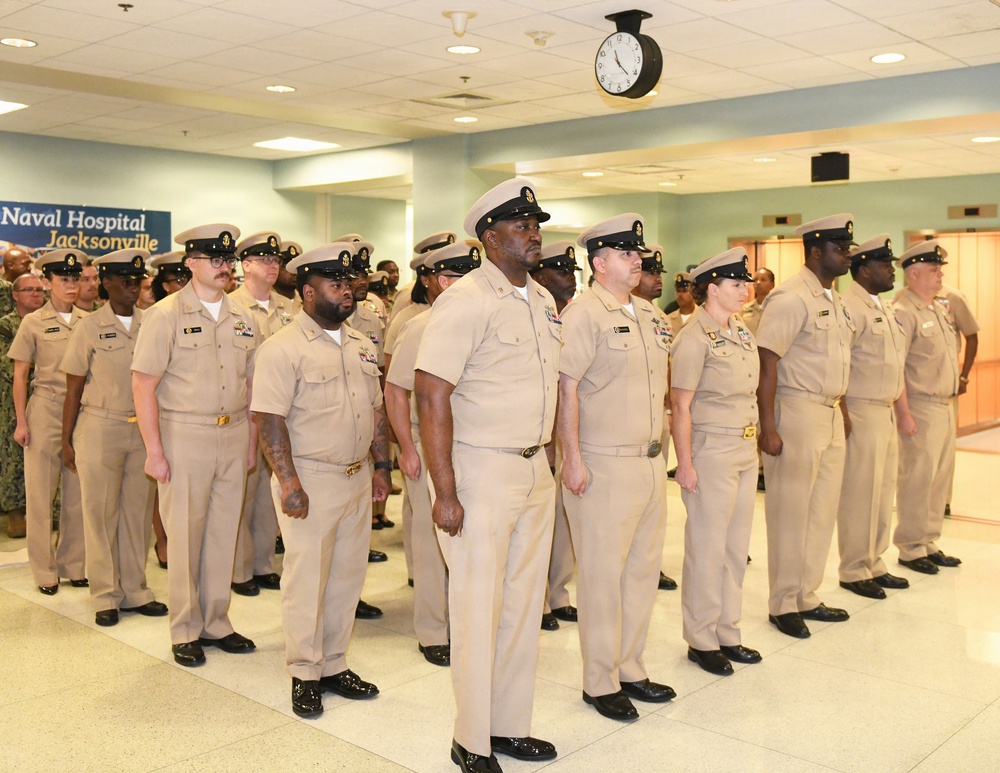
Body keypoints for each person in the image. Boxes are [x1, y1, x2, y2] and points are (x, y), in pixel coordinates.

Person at [415, 178, 559, 772]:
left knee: (523, 603)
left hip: (533, 468)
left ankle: (509, 725)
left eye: (536, 225)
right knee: (476, 605)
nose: (534, 234)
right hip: (480, 471)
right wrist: (444, 490)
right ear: (489, 236)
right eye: (522, 226)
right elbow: (430, 394)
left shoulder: (543, 300)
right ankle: (471, 739)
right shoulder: (466, 300)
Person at [252, 241, 391, 719]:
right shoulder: (282, 348)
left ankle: (334, 663)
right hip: (310, 478)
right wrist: (288, 482)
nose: (347, 291)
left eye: (350, 282)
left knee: (346, 578)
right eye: (336, 283)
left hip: (356, 477)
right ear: (309, 292)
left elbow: (375, 410)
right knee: (307, 579)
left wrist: (382, 467)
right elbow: (269, 419)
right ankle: (305, 670)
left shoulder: (359, 343)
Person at [559, 214, 674, 722]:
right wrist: (573, 460)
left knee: (641, 572)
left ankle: (631, 666)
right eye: (627, 254)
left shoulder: (651, 314)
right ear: (599, 262)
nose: (638, 260)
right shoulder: (583, 314)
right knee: (603, 579)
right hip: (603, 465)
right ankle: (599, 680)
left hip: (649, 463)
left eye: (638, 252)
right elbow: (566, 389)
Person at [132, 223, 259, 667]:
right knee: (185, 532)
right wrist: (154, 450)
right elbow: (143, 384)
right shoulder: (165, 315)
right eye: (216, 260)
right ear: (191, 263)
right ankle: (185, 626)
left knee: (224, 531)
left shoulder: (244, 318)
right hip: (184, 433)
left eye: (229, 260)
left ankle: (217, 621)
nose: (225, 268)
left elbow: (251, 385)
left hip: (234, 430)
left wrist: (251, 441)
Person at [756, 214, 855, 639]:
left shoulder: (834, 299)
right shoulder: (790, 297)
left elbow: (839, 362)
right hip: (795, 411)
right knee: (791, 513)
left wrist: (843, 410)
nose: (847, 255)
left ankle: (807, 594)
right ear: (817, 251)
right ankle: (782, 603)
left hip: (829, 413)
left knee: (821, 511)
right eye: (841, 248)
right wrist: (767, 426)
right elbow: (766, 361)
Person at [385, 241, 482, 667]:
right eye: (467, 278)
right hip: (431, 446)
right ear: (444, 282)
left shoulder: (481, 319)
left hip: (474, 447)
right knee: (430, 545)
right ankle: (432, 629)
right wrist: (407, 447)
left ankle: (463, 623)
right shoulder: (422, 326)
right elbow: (395, 389)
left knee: (469, 542)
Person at [61, 249, 166, 627]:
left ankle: (136, 589)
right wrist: (66, 439)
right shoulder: (88, 327)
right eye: (124, 281)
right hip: (99, 427)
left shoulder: (153, 322)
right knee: (99, 513)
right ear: (106, 284)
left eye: (137, 281)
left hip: (142, 429)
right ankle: (105, 593)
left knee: (137, 514)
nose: (132, 287)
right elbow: (73, 387)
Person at [671, 248, 762, 676]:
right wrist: (684, 463)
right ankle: (701, 638)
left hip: (744, 451)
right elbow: (681, 407)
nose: (745, 290)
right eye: (736, 284)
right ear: (712, 289)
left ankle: (728, 630)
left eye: (745, 283)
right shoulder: (693, 337)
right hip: (711, 452)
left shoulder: (741, 331)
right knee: (707, 549)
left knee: (734, 547)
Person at [8, 249, 88, 594]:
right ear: (47, 282)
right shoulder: (33, 322)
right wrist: (22, 422)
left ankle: (74, 564)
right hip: (45, 408)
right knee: (40, 493)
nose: (70, 286)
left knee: (76, 494)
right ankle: (43, 570)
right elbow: (20, 374)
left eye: (75, 279)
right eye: (63, 280)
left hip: (82, 413)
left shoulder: (89, 321)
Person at [836, 236, 910, 599]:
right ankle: (853, 568)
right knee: (860, 493)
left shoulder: (882, 306)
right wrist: (845, 413)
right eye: (886, 265)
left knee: (882, 493)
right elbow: (841, 365)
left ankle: (874, 562)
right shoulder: (850, 307)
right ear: (864, 270)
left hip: (884, 410)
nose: (892, 269)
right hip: (861, 409)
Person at [228, 231, 294, 598]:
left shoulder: (289, 308)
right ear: (246, 265)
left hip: (281, 413)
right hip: (246, 413)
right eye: (265, 260)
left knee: (273, 492)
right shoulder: (231, 307)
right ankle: (239, 568)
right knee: (244, 492)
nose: (273, 265)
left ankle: (263, 563)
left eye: (276, 260)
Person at [892, 240, 962, 574]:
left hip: (945, 406)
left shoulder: (938, 307)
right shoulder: (903, 311)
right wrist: (903, 413)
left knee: (938, 479)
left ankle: (929, 540)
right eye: (933, 271)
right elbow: (898, 368)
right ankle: (910, 546)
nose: (939, 276)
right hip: (920, 406)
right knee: (917, 478)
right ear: (913, 274)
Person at [529, 240, 581, 629]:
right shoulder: (537, 312)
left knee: (563, 522)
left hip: (573, 433)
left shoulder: (574, 314)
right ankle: (540, 602)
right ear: (540, 274)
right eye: (561, 271)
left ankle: (558, 590)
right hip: (543, 435)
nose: (570, 279)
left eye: (572, 271)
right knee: (541, 524)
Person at [631, 243, 679, 592]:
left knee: (654, 502)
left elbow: (666, 372)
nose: (656, 279)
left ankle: (650, 564)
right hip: (620, 430)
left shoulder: (659, 318)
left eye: (658, 272)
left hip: (654, 423)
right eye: (649, 271)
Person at [145, 251, 191, 570]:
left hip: (179, 415)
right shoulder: (158, 315)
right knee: (160, 489)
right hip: (155, 412)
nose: (182, 286)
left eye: (186, 279)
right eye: (176, 280)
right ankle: (162, 540)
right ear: (163, 285)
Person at [0, 273, 46, 538]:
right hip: (12, 401)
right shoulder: (6, 326)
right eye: (29, 290)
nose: (35, 294)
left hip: (49, 398)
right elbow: (9, 365)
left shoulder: (51, 321)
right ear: (15, 295)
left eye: (39, 290)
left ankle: (48, 509)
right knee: (13, 456)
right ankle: (15, 511)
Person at [941, 283, 979, 516]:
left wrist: (963, 376)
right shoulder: (904, 300)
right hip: (914, 389)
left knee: (945, 446)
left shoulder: (952, 297)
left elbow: (972, 337)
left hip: (946, 388)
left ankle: (943, 499)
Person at [388, 231, 455, 327]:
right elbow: (392, 333)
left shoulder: (455, 306)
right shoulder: (407, 296)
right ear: (425, 280)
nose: (446, 280)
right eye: (438, 274)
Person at [740, 267, 774, 337]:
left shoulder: (777, 308)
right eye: (755, 280)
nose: (758, 283)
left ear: (772, 285)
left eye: (763, 280)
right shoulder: (744, 309)